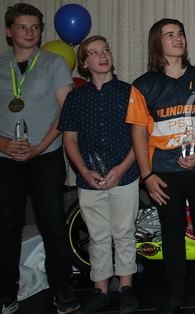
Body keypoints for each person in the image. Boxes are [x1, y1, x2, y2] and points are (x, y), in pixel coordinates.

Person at [126, 18, 195, 314]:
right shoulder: (143, 85)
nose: (178, 38)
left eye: (180, 33)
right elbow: (138, 133)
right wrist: (147, 175)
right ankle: (175, 292)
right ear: (157, 42)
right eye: (170, 34)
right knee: (172, 232)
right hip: (163, 172)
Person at [0, 3, 79, 314]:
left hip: (45, 156)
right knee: (7, 226)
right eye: (22, 27)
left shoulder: (54, 63)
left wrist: (39, 147)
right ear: (9, 31)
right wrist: (4, 144)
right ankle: (7, 292)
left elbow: (66, 111)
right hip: (5, 158)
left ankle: (62, 289)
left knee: (52, 224)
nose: (30, 32)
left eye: (35, 27)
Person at [60, 36, 140, 314]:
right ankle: (100, 290)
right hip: (89, 179)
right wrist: (83, 170)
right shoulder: (75, 98)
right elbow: (69, 139)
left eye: (105, 50)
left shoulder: (130, 92)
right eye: (94, 53)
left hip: (125, 174)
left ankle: (126, 288)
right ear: (84, 63)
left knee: (125, 233)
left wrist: (123, 167)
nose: (102, 55)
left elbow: (140, 136)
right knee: (97, 236)